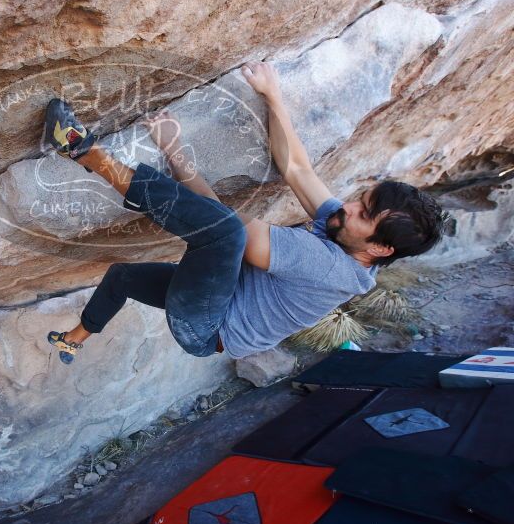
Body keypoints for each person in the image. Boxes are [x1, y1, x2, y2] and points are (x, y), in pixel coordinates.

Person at [44, 60, 448, 364]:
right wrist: (273, 95)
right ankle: (74, 339)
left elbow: (220, 225)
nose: (348, 206)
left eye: (364, 213)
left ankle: (83, 151)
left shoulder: (329, 267)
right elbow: (297, 168)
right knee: (124, 277)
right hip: (220, 295)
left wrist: (175, 153)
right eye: (362, 198)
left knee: (230, 233)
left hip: (207, 327)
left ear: (378, 249)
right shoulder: (349, 233)